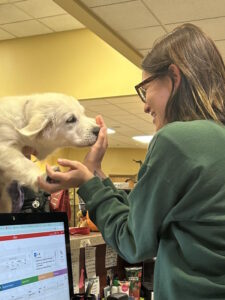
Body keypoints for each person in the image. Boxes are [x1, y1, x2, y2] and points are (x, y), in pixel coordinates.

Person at [38, 23, 225, 300]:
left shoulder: (175, 140)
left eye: (145, 87)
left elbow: (133, 242)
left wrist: (88, 184)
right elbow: (143, 222)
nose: (145, 105)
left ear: (174, 75)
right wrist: (97, 174)